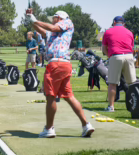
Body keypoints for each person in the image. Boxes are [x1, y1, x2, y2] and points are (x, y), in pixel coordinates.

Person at [27, 9, 95, 138]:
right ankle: (86, 125)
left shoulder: (67, 22)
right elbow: (37, 27)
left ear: (59, 18)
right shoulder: (52, 33)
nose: (52, 19)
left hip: (56, 64)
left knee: (50, 96)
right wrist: (31, 17)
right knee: (69, 96)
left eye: (54, 17)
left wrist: (36, 20)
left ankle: (49, 128)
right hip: (63, 64)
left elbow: (52, 27)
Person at [102, 16, 136, 112]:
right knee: (132, 83)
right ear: (123, 23)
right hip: (129, 56)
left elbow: (104, 48)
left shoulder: (108, 32)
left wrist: (109, 56)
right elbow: (131, 47)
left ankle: (111, 107)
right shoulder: (130, 32)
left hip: (116, 56)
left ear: (114, 22)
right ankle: (136, 104)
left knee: (112, 83)